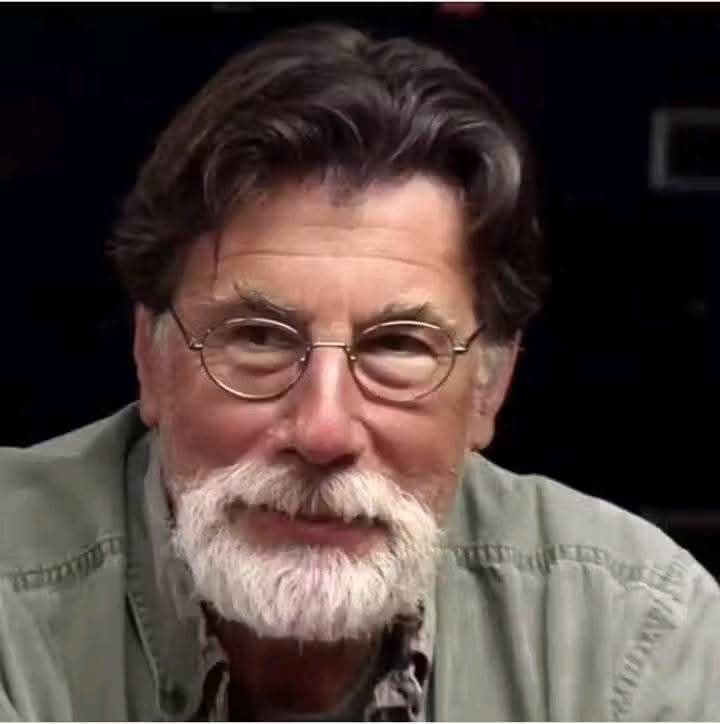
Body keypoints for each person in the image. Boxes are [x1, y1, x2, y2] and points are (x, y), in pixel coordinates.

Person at [0, 23, 717, 722]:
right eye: (258, 338)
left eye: (397, 348)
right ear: (151, 359)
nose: (323, 431)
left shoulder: (634, 634)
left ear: (489, 387)